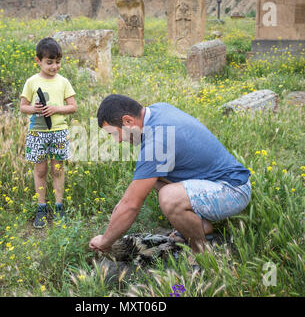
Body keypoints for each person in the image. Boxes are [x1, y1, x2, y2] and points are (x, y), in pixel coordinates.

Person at [89, 94, 251, 263]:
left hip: (232, 190)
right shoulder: (158, 110)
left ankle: (200, 252)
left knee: (169, 197)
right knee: (151, 178)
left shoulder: (158, 142)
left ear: (128, 121)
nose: (118, 140)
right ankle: (200, 225)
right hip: (217, 181)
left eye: (114, 133)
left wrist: (105, 241)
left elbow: (130, 205)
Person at [19, 37, 77, 228]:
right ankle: (42, 208)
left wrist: (55, 109)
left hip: (58, 131)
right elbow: (23, 107)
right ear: (38, 61)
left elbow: (72, 107)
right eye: (49, 62)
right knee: (40, 170)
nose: (54, 67)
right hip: (37, 132)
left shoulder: (64, 82)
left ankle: (59, 207)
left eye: (58, 62)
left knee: (57, 169)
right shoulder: (31, 82)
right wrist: (35, 109)